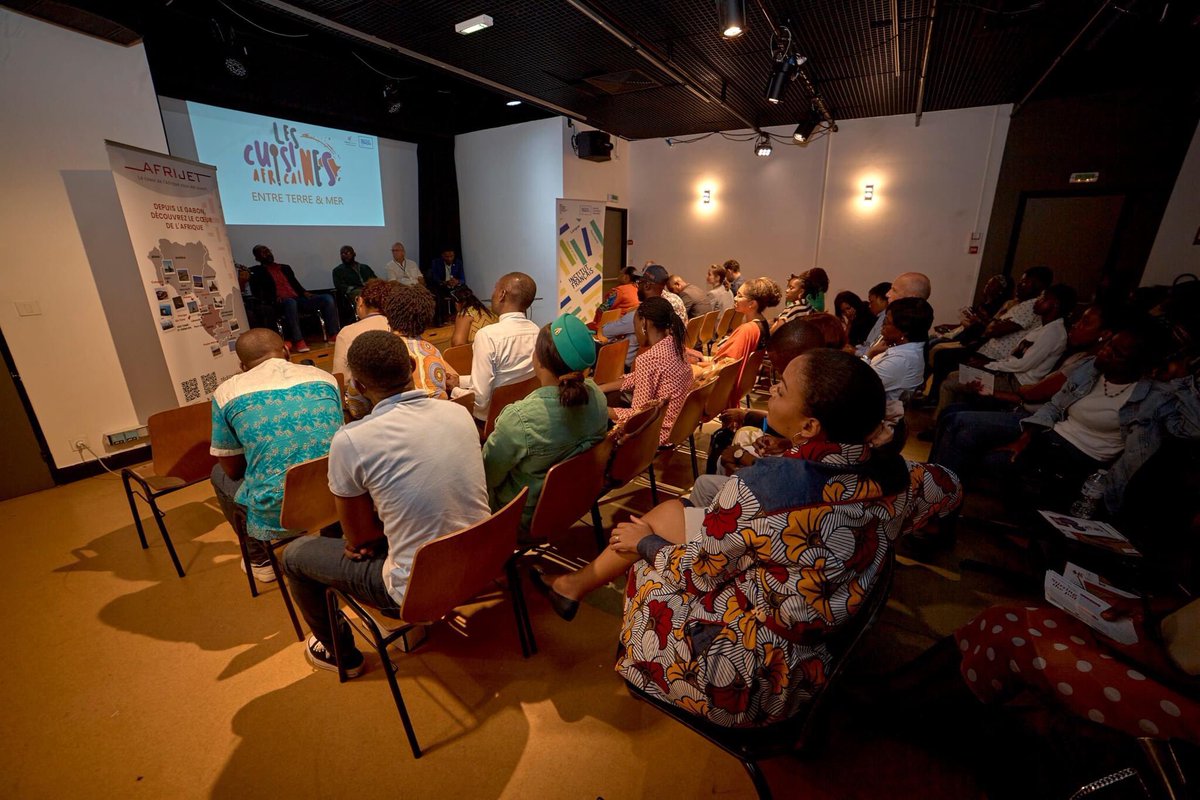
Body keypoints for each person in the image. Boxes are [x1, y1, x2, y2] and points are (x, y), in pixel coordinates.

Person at [530, 350, 963, 727]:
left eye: (782, 388)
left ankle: (636, 655)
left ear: (810, 425)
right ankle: (571, 587)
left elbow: (698, 571)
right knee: (669, 512)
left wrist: (646, 544)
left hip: (755, 677)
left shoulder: (761, 491)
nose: (772, 390)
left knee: (647, 558)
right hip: (823, 637)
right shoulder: (904, 474)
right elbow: (953, 487)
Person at [281, 331, 489, 677]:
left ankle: (342, 654)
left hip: (414, 592)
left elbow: (359, 538)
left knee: (295, 556)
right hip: (481, 563)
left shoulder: (351, 439)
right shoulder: (457, 412)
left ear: (358, 387)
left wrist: (366, 539)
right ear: (411, 366)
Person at [209, 329, 343, 581]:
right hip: (336, 494)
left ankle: (260, 559)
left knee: (218, 474)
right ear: (287, 352)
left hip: (278, 509)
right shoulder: (324, 378)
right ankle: (332, 538)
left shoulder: (227, 393)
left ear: (242, 366)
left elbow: (233, 470)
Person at [927, 303, 1116, 480]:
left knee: (959, 421)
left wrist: (1018, 391)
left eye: (1085, 322)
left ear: (1105, 334)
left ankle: (941, 489)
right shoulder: (1078, 355)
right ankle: (930, 477)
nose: (1075, 325)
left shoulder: (1083, 365)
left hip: (1033, 416)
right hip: (1026, 407)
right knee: (950, 413)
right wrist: (995, 393)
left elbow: (1034, 394)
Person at [998, 322, 1164, 511]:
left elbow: (1132, 460)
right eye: (1109, 344)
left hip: (1083, 458)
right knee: (968, 429)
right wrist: (1026, 436)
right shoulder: (1090, 369)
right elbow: (1054, 405)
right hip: (1052, 435)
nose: (1105, 352)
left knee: (994, 455)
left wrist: (1104, 493)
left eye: (1117, 353)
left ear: (1139, 365)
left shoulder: (1149, 401)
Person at [482, 313, 608, 533]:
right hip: (579, 501)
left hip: (524, 519)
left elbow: (487, 476)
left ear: (538, 360)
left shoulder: (519, 419)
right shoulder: (598, 398)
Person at [934, 283, 1076, 418]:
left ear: (1055, 305)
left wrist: (988, 365)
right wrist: (990, 364)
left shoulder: (1054, 333)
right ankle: (949, 419)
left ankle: (937, 426)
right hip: (1009, 374)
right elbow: (1015, 358)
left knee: (951, 382)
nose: (1037, 301)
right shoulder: (1043, 328)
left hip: (1017, 383)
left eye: (1043, 298)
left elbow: (1022, 365)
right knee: (958, 377)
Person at [597, 297, 694, 444]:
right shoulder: (676, 346)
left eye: (634, 325)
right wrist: (601, 388)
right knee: (611, 395)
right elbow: (637, 377)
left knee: (602, 412)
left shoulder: (649, 358)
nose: (635, 332)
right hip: (679, 426)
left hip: (657, 432)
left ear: (644, 323)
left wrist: (601, 410)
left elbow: (637, 416)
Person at [447, 272, 539, 422]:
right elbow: (503, 379)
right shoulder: (536, 331)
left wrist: (454, 390)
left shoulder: (487, 336)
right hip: (524, 413)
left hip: (494, 422)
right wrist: (460, 382)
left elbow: (480, 402)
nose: (492, 294)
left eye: (495, 289)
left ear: (502, 294)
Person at [248, 245, 341, 353]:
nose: (267, 254)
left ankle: (333, 334)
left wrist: (305, 292)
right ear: (257, 258)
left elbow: (295, 284)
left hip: (298, 299)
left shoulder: (285, 267)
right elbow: (258, 292)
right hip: (279, 303)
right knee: (290, 302)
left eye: (268, 251)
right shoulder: (257, 271)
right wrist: (273, 298)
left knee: (327, 298)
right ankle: (298, 341)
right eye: (263, 253)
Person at [695, 277, 782, 389]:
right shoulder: (763, 323)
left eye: (740, 296)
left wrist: (696, 366)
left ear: (752, 304)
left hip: (722, 387)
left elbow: (725, 368)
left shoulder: (747, 330)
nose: (735, 298)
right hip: (740, 384)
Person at [332, 279, 399, 418]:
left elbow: (341, 379)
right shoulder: (399, 325)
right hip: (399, 400)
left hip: (366, 410)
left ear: (361, 302)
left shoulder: (347, 332)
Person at [601, 265, 683, 369]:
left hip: (626, 366)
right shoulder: (670, 305)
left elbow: (605, 331)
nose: (637, 285)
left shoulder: (641, 314)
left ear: (647, 286)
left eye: (639, 282)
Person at [383, 284, 454, 400]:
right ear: (428, 318)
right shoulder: (433, 352)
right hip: (436, 415)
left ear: (388, 314)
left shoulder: (380, 351)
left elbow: (357, 409)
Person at [974, 266, 1053, 362]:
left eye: (1024, 282)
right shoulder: (1024, 304)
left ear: (1038, 285)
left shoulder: (1031, 306)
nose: (1019, 285)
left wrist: (997, 322)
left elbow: (992, 330)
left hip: (994, 359)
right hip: (989, 354)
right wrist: (998, 322)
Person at [869, 296, 933, 404]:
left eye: (887, 322)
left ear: (904, 331)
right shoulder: (902, 348)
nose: (882, 326)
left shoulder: (901, 361)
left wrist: (868, 354)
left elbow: (855, 384)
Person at [858, 273, 930, 358]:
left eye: (894, 290)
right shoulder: (893, 317)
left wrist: (867, 355)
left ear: (911, 297)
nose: (887, 294)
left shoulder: (909, 335)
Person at [424, 248, 466, 326]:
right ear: (442, 256)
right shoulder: (436, 263)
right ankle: (440, 320)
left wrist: (457, 281)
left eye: (451, 256)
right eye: (447, 256)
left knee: (466, 292)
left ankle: (463, 318)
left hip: (455, 286)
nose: (449, 258)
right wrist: (445, 282)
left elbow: (463, 279)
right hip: (441, 286)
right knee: (437, 295)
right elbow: (434, 278)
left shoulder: (458, 263)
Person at [331, 245, 377, 314]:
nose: (345, 256)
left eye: (348, 253)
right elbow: (339, 285)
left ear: (354, 254)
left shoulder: (365, 267)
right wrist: (355, 288)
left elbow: (375, 280)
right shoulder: (338, 270)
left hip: (369, 290)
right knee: (360, 293)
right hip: (354, 293)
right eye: (342, 254)